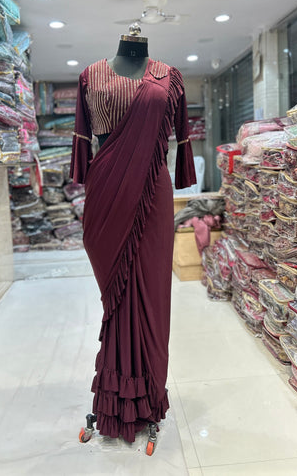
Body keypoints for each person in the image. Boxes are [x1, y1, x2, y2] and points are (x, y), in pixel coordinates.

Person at [71, 26, 196, 444]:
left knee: (152, 296)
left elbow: (180, 135)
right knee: (116, 297)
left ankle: (146, 395)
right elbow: (83, 138)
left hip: (152, 193)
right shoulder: (90, 75)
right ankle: (117, 398)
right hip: (106, 191)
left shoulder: (169, 76)